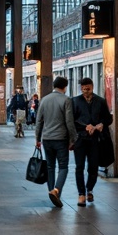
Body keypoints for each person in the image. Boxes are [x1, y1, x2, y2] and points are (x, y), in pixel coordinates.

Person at [34, 77, 76, 207]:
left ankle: (51, 191)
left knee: (50, 166)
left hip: (47, 139)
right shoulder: (66, 100)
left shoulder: (44, 100)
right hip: (61, 139)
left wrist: (37, 138)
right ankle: (56, 190)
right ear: (65, 87)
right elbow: (69, 121)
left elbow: (39, 121)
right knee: (63, 166)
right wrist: (73, 139)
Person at [71, 77, 113, 206]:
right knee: (79, 167)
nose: (86, 91)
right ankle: (81, 194)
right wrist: (84, 126)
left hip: (95, 139)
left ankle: (89, 189)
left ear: (92, 87)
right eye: (83, 89)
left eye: (88, 89)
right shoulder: (75, 101)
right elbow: (71, 120)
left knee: (93, 167)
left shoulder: (100, 101)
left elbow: (108, 118)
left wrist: (101, 124)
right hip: (80, 139)